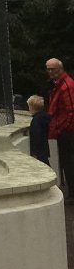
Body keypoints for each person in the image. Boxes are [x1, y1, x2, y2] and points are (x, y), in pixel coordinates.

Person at [45, 58, 74, 196]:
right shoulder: (60, 84)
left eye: (53, 69)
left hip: (67, 131)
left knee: (69, 162)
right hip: (63, 129)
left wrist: (63, 128)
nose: (50, 72)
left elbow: (71, 110)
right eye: (48, 69)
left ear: (60, 69)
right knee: (66, 162)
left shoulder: (66, 85)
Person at [27, 94, 50, 165]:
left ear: (32, 107)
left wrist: (34, 153)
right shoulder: (44, 117)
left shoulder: (36, 120)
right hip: (44, 149)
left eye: (29, 107)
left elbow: (36, 136)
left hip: (39, 151)